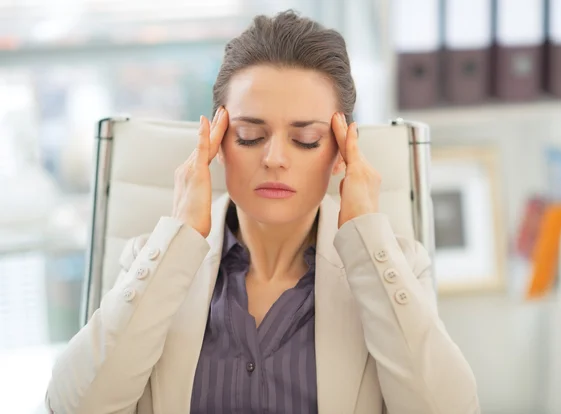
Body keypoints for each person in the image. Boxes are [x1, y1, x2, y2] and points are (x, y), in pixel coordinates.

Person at [46, 10, 479, 414]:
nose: (274, 158)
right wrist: (179, 236)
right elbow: (74, 404)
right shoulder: (151, 259)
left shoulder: (396, 266)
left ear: (342, 151)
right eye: (250, 135)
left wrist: (365, 232)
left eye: (306, 139)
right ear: (217, 144)